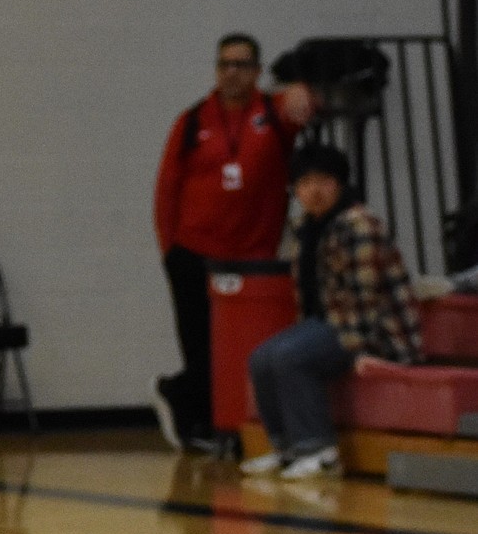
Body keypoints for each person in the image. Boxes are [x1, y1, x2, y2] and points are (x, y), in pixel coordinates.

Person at [152, 33, 313, 450]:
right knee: (199, 345)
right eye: (224, 64)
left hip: (251, 256)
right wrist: (170, 249)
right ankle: (199, 423)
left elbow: (307, 107)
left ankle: (195, 402)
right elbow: (168, 188)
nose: (231, 73)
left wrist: (298, 88)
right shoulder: (192, 121)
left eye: (241, 65)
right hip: (193, 252)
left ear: (257, 71)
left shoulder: (272, 114)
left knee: (240, 348)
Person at [241, 143, 423, 480]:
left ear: (339, 184)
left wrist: (363, 351)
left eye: (323, 181)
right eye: (305, 183)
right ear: (295, 190)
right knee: (261, 359)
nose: (314, 191)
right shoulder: (304, 228)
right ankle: (286, 449)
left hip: (375, 332)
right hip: (330, 325)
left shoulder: (359, 225)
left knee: (289, 356)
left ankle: (319, 451)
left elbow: (367, 299)